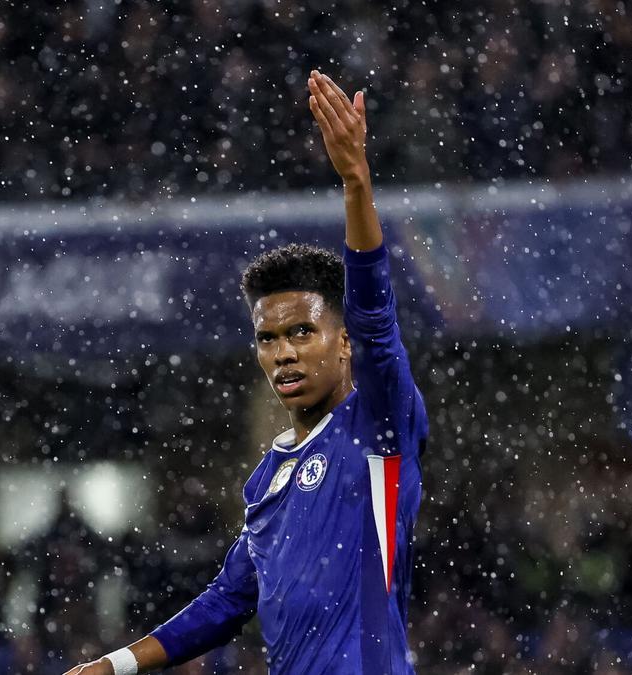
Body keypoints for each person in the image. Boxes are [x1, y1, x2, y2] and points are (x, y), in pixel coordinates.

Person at [63, 70, 428, 674]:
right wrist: (113, 665)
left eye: (302, 332)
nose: (283, 352)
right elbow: (228, 600)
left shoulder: (377, 427)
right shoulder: (267, 480)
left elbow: (376, 319)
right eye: (269, 339)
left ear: (344, 346)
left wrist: (356, 184)